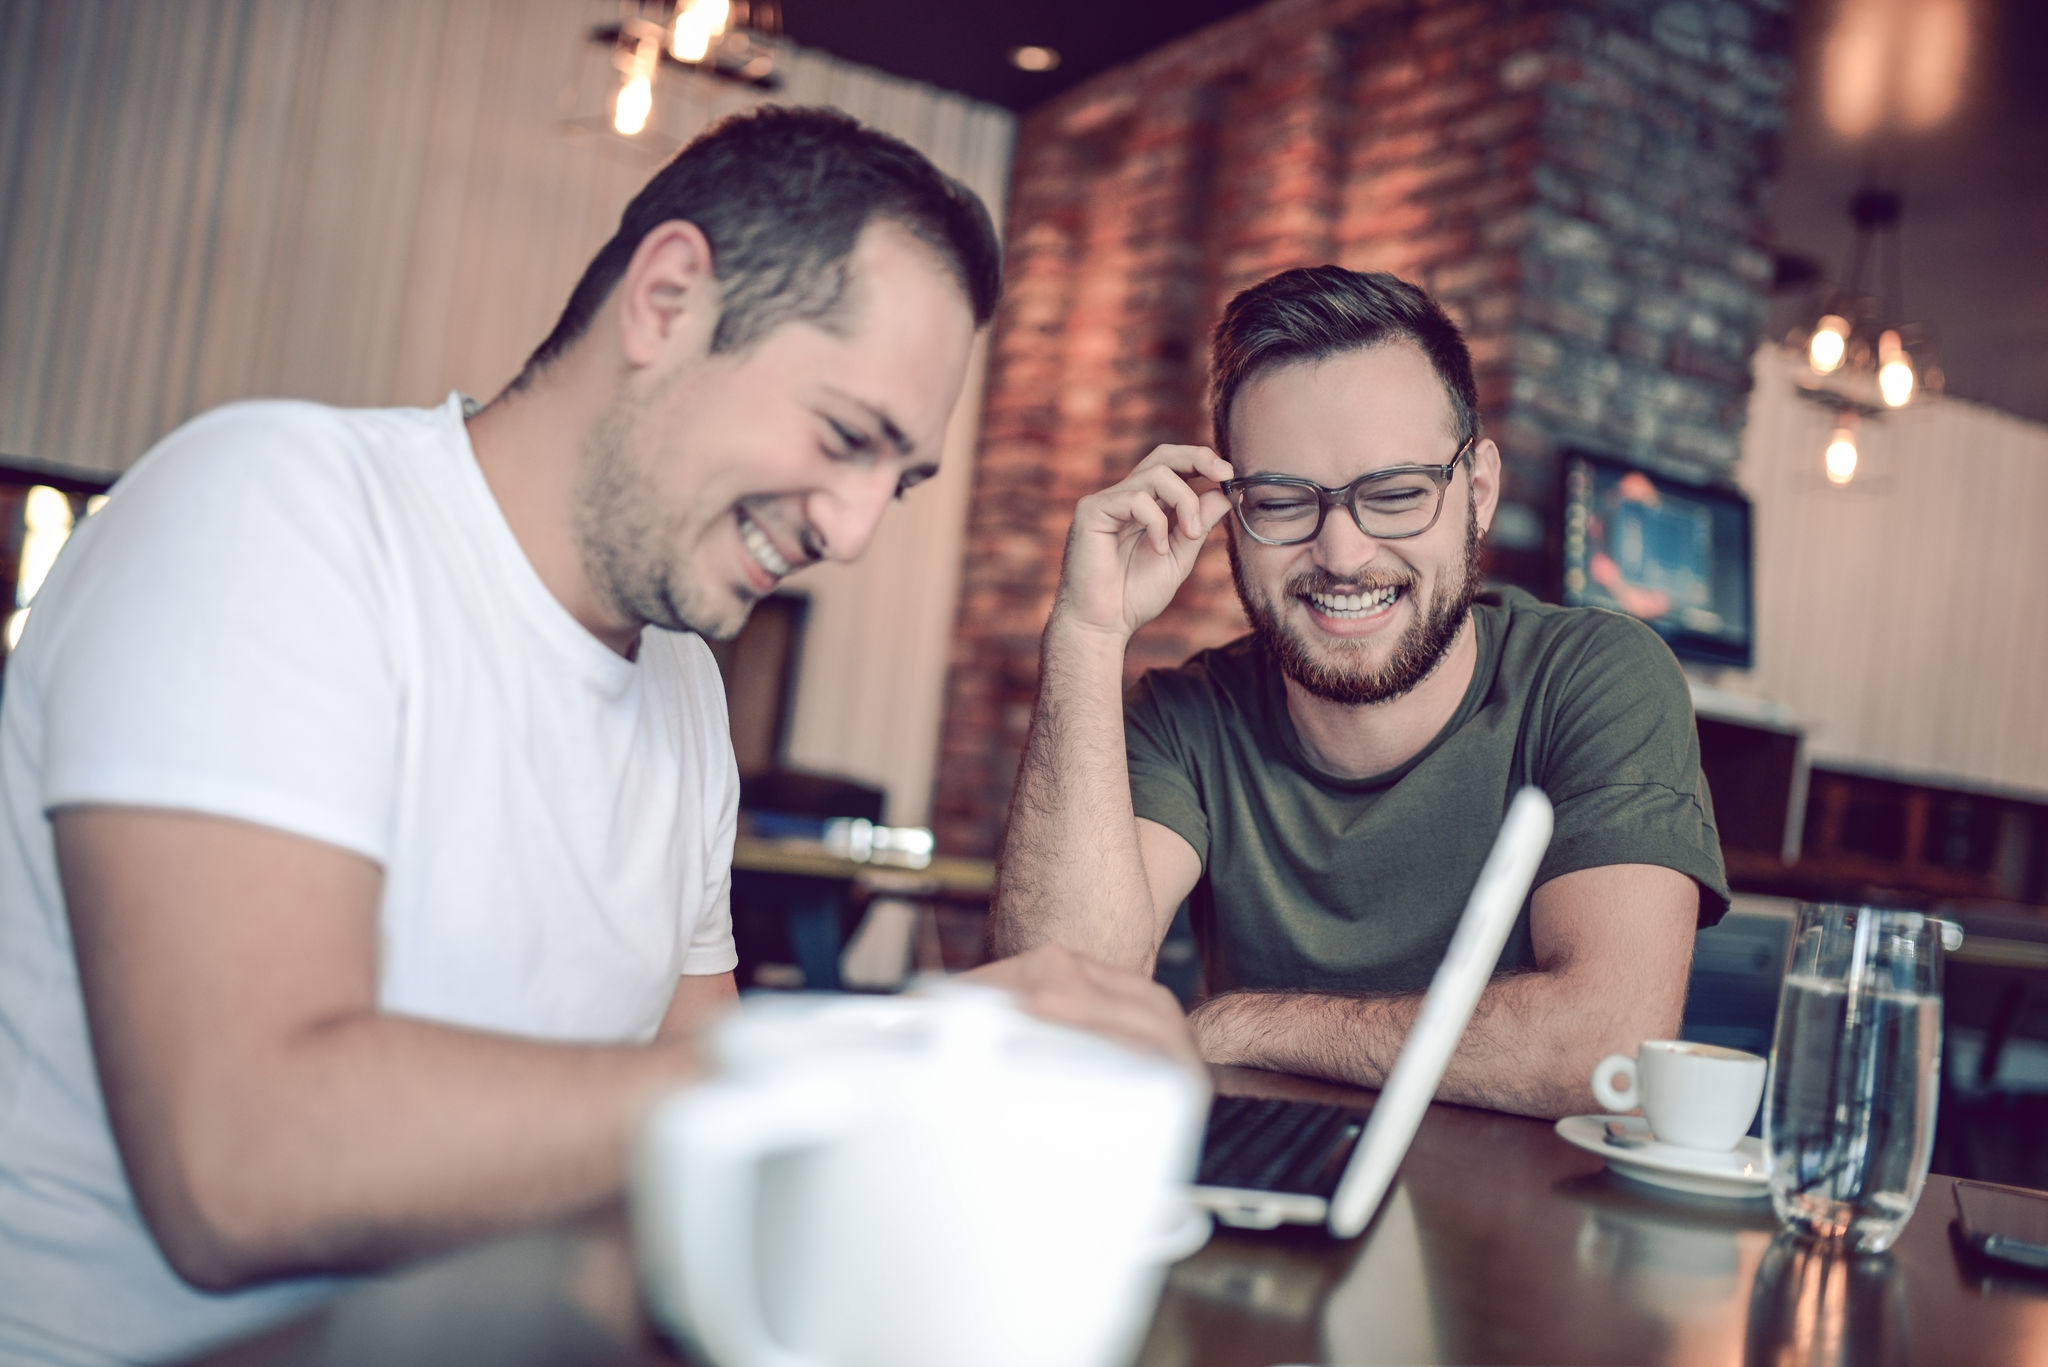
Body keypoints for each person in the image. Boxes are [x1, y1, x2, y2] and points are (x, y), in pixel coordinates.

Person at [0, 106, 1189, 1367]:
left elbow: (703, 1128)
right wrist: (894, 1049)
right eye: (845, 438)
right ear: (667, 297)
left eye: (893, 481)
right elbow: (236, 1162)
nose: (851, 530)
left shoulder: (680, 686)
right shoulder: (273, 510)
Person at [991, 266, 1730, 1122]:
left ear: (1477, 494)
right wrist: (1087, 633)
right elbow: (1051, 1016)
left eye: (1395, 494)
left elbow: (1607, 1047)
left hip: (1519, 1234)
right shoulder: (1185, 717)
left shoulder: (1597, 677)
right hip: (1256, 1222)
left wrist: (1246, 1024)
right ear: (1233, 512)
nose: (1342, 553)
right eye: (1282, 500)